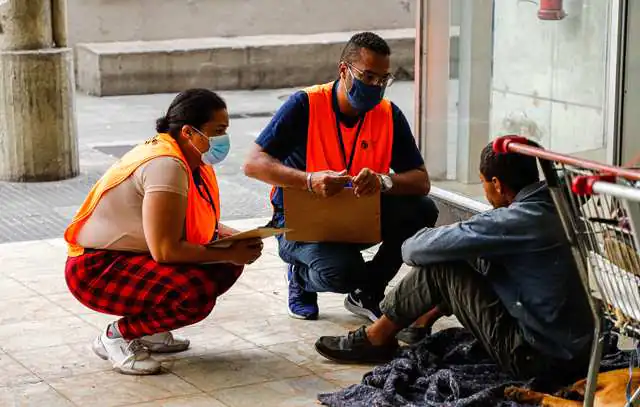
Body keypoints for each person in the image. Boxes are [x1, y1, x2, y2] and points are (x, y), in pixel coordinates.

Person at [315, 139, 595, 386]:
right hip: (581, 352)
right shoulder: (557, 205)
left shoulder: (513, 221)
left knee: (445, 266)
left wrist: (463, 235)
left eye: (484, 183)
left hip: (538, 360)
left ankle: (375, 338)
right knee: (476, 258)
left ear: (497, 184)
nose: (485, 191)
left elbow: (412, 250)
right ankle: (420, 322)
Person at [63, 89, 263, 375]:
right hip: (96, 268)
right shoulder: (166, 165)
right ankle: (117, 335)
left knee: (226, 265)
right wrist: (230, 250)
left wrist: (233, 239)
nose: (223, 139)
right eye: (217, 131)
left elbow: (192, 221)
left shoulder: (192, 161)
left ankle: (150, 331)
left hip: (128, 256)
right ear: (188, 132)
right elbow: (166, 250)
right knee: (194, 293)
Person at [243, 32, 439, 321]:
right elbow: (253, 164)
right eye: (368, 76)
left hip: (359, 214)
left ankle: (368, 291)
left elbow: (421, 182)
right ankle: (301, 277)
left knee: (423, 210)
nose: (375, 86)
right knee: (342, 274)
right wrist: (309, 180)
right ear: (344, 70)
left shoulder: (387, 114)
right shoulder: (305, 105)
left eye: (383, 79)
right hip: (303, 219)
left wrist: (384, 181)